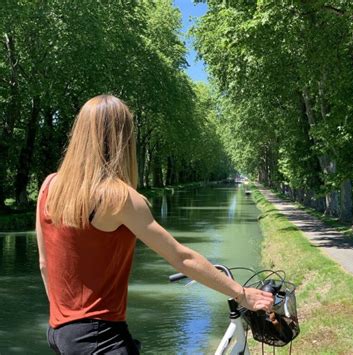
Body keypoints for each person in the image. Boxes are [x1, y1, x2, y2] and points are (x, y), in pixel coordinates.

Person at [36, 94, 274, 354]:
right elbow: (180, 257)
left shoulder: (49, 185)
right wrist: (241, 294)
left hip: (60, 332)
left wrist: (65, 319)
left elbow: (45, 263)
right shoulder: (119, 197)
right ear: (123, 139)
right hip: (100, 337)